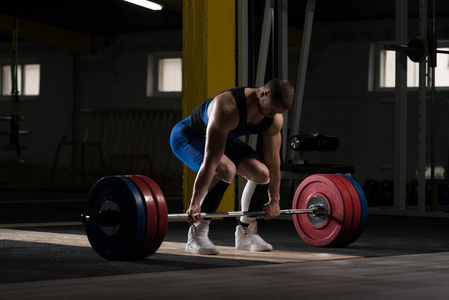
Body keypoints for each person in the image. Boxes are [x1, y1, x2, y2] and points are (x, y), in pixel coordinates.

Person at [170, 78, 294, 255]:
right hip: (188, 137)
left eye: (276, 113)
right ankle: (197, 234)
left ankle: (246, 233)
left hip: (223, 139)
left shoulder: (274, 118)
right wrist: (195, 202)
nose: (270, 115)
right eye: (270, 109)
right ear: (262, 93)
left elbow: (274, 161)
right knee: (226, 169)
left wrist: (275, 200)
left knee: (261, 173)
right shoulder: (228, 106)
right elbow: (211, 160)